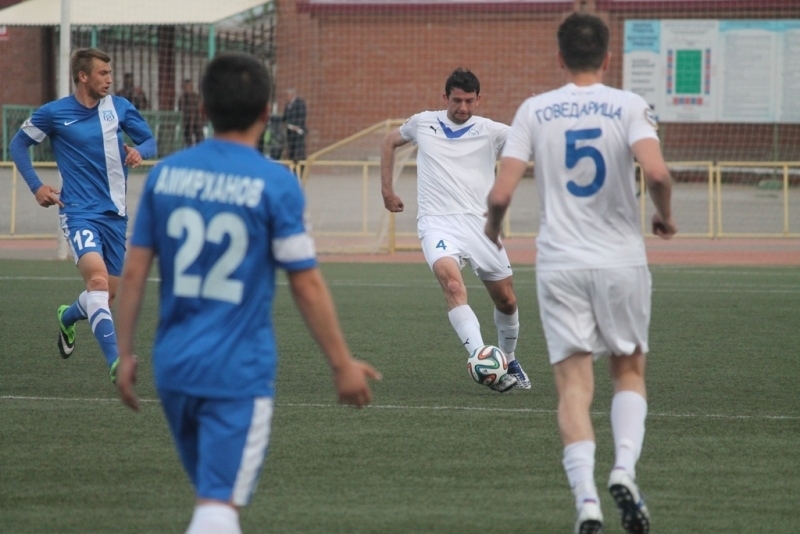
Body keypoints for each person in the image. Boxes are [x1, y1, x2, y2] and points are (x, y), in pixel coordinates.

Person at [113, 52, 382, 534]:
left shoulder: (165, 175)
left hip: (173, 365)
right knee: (218, 506)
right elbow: (306, 282)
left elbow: (133, 274)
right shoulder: (276, 182)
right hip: (236, 370)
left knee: (210, 498)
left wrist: (124, 353)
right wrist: (341, 363)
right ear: (265, 112)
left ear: (205, 110)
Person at [485, 13, 676, 534]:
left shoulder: (534, 110)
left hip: (561, 263)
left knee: (574, 387)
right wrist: (664, 215)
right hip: (620, 261)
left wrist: (492, 229)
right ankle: (624, 470)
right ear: (608, 58)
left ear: (560, 57)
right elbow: (657, 173)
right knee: (628, 371)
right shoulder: (629, 105)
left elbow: (500, 194)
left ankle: (587, 502)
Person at [9, 48, 156, 383]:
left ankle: (68, 315)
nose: (109, 79)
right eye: (103, 73)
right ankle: (117, 361)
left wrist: (138, 151)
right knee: (98, 282)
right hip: (77, 213)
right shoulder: (54, 113)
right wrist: (36, 187)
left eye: (110, 73)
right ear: (83, 76)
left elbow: (150, 141)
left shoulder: (120, 107)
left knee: (106, 296)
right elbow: (18, 144)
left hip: (115, 216)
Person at [381, 67, 530, 393]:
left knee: (506, 301)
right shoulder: (423, 122)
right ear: (445, 97)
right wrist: (387, 191)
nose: (463, 107)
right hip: (437, 222)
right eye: (457, 100)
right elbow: (390, 141)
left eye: (469, 101)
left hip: (481, 226)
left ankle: (508, 359)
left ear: (479, 100)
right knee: (452, 284)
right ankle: (481, 359)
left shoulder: (491, 130)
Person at [282, 88, 306, 165]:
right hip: (290, 131)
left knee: (299, 150)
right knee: (291, 150)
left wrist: (298, 126)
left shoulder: (300, 103)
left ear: (292, 95)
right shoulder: (287, 105)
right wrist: (283, 123)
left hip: (298, 131)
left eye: (287, 95)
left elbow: (302, 115)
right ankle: (291, 165)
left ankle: (300, 166)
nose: (286, 97)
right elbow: (284, 117)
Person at [178, 79, 204, 147]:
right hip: (187, 122)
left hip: (197, 121)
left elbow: (200, 108)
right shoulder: (182, 99)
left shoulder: (196, 97)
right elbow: (180, 110)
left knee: (200, 139)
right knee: (188, 141)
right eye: (185, 87)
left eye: (189, 86)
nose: (187, 88)